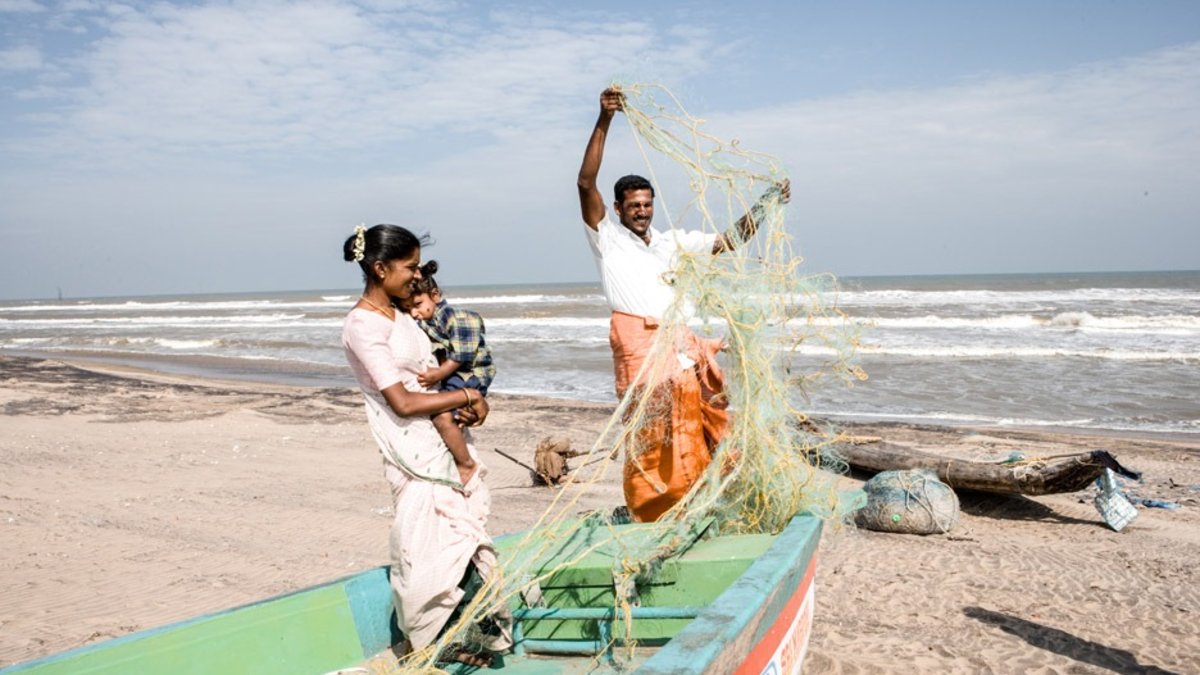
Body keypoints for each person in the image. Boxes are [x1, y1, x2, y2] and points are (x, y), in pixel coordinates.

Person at [576, 87, 790, 522]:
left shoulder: (674, 243)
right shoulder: (608, 240)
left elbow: (731, 240)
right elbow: (585, 182)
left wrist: (765, 204)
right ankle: (653, 511)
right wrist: (604, 118)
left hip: (681, 347)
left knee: (702, 424)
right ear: (617, 209)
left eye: (647, 205)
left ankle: (697, 502)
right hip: (638, 345)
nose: (642, 212)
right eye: (633, 206)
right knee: (650, 434)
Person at [340, 224, 510, 667]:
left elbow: (435, 369)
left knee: (462, 538)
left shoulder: (402, 314)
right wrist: (468, 396)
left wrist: (472, 404)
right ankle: (432, 640)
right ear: (380, 269)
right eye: (409, 267)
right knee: (427, 544)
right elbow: (402, 399)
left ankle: (468, 633)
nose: (417, 276)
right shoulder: (362, 325)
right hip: (411, 449)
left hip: (441, 436)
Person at [399, 260, 497, 482]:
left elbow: (461, 355)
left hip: (470, 374)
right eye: (408, 309)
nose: (414, 313)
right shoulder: (428, 317)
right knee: (448, 414)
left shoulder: (454, 317)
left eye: (417, 304)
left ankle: (465, 464)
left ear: (435, 295)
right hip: (457, 375)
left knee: (443, 417)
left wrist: (439, 374)